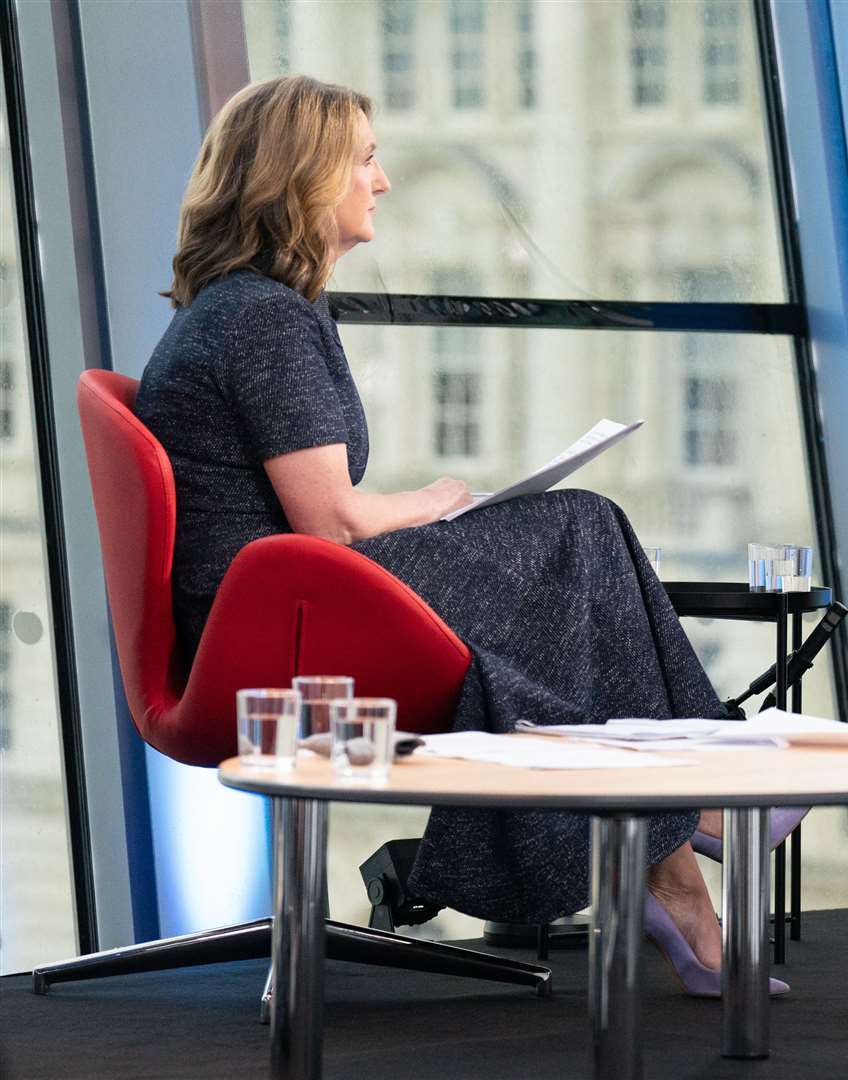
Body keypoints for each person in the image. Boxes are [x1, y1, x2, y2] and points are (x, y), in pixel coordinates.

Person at [136, 74, 784, 997]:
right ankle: (693, 816)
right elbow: (335, 518)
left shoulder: (257, 310)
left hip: (289, 601)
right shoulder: (261, 320)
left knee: (576, 539)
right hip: (273, 627)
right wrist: (439, 500)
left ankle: (680, 841)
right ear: (303, 178)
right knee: (581, 527)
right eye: (364, 158)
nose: (383, 179)